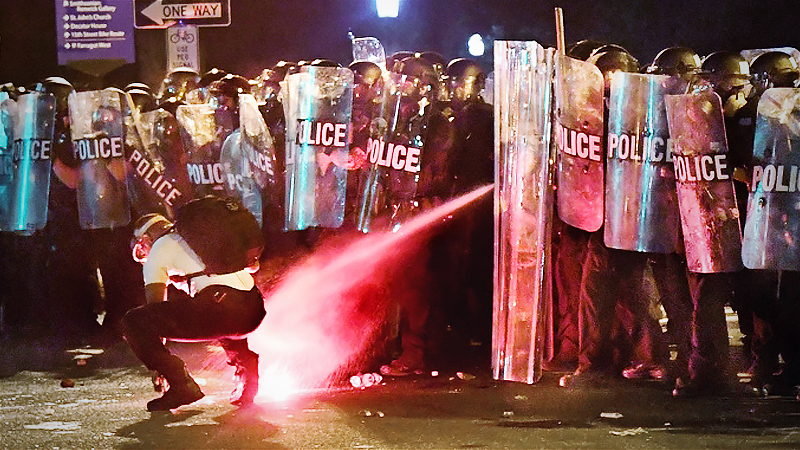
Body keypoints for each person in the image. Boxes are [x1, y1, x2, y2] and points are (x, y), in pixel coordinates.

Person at [122, 204, 266, 411]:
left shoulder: (160, 247)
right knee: (219, 313)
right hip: (254, 307)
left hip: (223, 308)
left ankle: (182, 385)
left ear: (145, 240)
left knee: (134, 321)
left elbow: (155, 309)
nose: (144, 254)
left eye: (141, 248)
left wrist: (159, 362)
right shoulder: (196, 240)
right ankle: (248, 379)